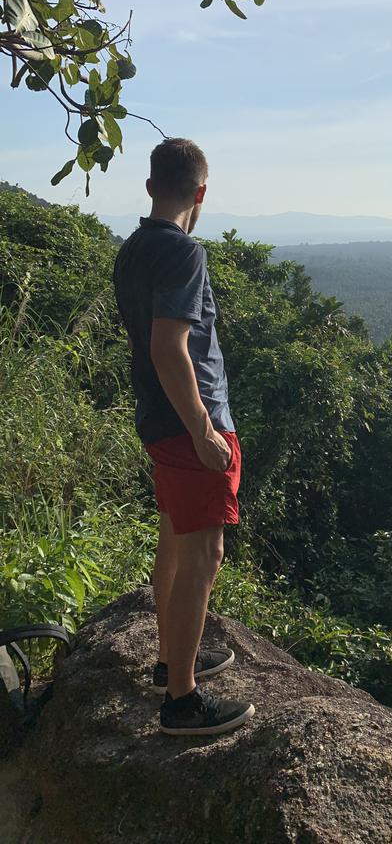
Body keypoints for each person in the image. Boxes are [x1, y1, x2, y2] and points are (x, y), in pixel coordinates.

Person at [112, 137, 254, 736]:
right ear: (200, 193)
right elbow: (169, 347)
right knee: (205, 555)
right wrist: (203, 430)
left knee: (174, 537)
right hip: (188, 424)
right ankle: (181, 701)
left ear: (149, 187)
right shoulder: (184, 252)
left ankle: (172, 661)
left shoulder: (132, 249)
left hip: (155, 420)